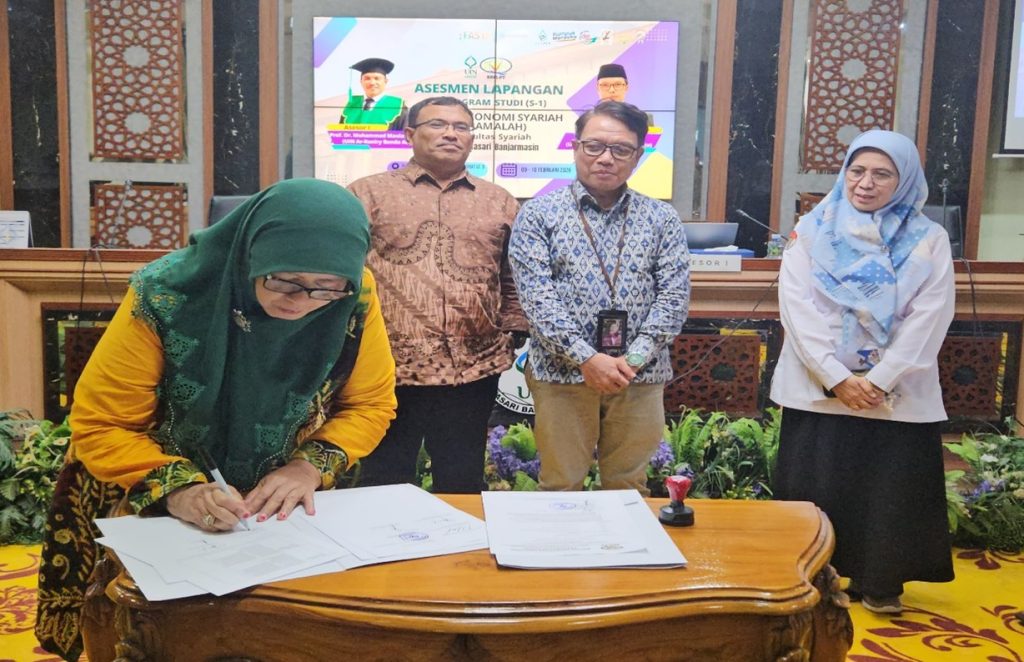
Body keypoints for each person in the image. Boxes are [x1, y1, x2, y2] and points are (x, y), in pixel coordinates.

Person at [35, 178, 397, 661]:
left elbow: (370, 404)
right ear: (250, 252)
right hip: (142, 486)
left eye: (324, 288)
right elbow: (103, 423)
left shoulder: (354, 292)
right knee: (158, 637)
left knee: (291, 635)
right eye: (283, 280)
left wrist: (306, 468)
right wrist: (179, 490)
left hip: (277, 508)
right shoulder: (168, 293)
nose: (301, 300)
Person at [770, 129, 955, 615]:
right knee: (817, 485)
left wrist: (878, 379)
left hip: (895, 393)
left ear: (905, 179)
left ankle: (881, 580)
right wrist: (836, 376)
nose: (865, 183)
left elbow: (931, 315)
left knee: (889, 487)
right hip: (820, 386)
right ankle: (810, 577)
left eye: (882, 174)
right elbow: (796, 307)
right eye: (857, 171)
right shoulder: (812, 230)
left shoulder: (929, 239)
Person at [509, 100, 690, 493]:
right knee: (560, 485)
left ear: (638, 156)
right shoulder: (538, 215)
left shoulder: (662, 218)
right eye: (594, 146)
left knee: (629, 486)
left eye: (621, 149)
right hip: (561, 374)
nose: (606, 158)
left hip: (639, 376)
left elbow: (674, 299)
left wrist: (633, 359)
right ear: (575, 147)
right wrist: (586, 358)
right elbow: (537, 299)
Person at [348, 96, 526, 493]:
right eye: (438, 125)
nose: (451, 134)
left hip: (473, 369)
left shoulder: (499, 201)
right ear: (410, 134)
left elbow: (512, 274)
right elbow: (343, 269)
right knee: (384, 481)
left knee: (462, 480)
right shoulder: (367, 194)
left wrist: (513, 329)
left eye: (461, 127)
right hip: (389, 369)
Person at [339, 57, 408, 129]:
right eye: (367, 78)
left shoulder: (397, 106)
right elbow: (340, 134)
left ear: (386, 81)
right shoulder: (351, 104)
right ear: (361, 81)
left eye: (377, 78)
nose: (372, 83)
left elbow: (405, 134)